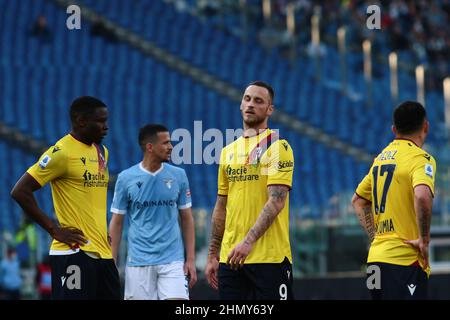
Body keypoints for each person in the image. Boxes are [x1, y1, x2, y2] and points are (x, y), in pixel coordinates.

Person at [10, 96, 120, 300]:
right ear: (81, 121)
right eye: (100, 121)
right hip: (74, 253)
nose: (106, 127)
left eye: (106, 121)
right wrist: (54, 229)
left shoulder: (102, 151)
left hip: (103, 252)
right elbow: (20, 191)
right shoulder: (62, 153)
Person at [204, 81, 295, 300]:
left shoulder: (277, 147)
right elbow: (221, 205)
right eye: (247, 99)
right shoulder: (227, 152)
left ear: (270, 109)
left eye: (258, 100)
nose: (251, 104)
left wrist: (248, 242)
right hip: (231, 260)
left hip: (269, 259)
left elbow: (276, 201)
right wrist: (213, 255)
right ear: (240, 104)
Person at [352, 101, 436, 300]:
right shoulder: (420, 159)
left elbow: (358, 200)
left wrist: (376, 237)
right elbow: (422, 196)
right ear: (426, 126)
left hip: (375, 261)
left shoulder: (380, 159)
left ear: (394, 129)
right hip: (404, 261)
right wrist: (423, 240)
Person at [109, 124, 197, 300]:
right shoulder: (126, 178)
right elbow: (117, 222)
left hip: (173, 260)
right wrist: (111, 261)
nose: (171, 147)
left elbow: (187, 219)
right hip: (138, 262)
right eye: (165, 143)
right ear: (150, 147)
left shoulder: (179, 175)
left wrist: (191, 259)